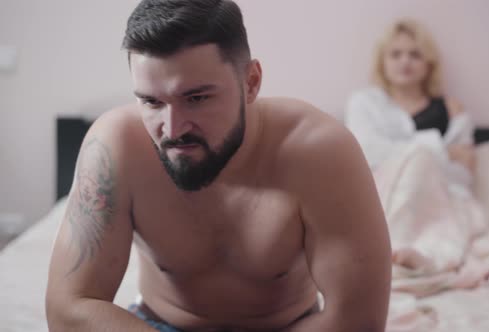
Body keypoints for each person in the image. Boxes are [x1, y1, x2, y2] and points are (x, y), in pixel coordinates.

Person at [45, 1, 391, 331]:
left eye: (196, 99)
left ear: (251, 82)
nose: (173, 129)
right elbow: (69, 308)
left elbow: (357, 320)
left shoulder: (321, 152)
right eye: (151, 101)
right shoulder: (116, 146)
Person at [346, 18, 476, 184]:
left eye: (415, 55)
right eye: (395, 54)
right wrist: (444, 152)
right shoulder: (364, 103)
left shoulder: (451, 109)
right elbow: (368, 154)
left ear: (428, 64)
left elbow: (465, 169)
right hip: (385, 198)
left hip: (441, 197)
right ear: (382, 63)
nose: (405, 61)